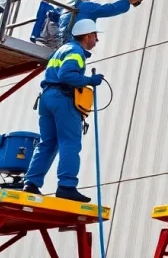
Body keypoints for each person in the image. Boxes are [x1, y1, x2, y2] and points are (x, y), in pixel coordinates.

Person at [22, 19, 107, 202]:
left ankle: (31, 183)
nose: (96, 40)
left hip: (47, 97)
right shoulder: (76, 52)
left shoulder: (61, 50)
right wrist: (90, 81)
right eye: (95, 36)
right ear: (87, 36)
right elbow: (67, 75)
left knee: (47, 143)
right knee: (70, 142)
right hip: (62, 98)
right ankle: (67, 186)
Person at [57, 0, 146, 42]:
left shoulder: (65, 10)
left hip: (63, 41)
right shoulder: (84, 6)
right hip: (74, 42)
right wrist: (130, 0)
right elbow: (109, 9)